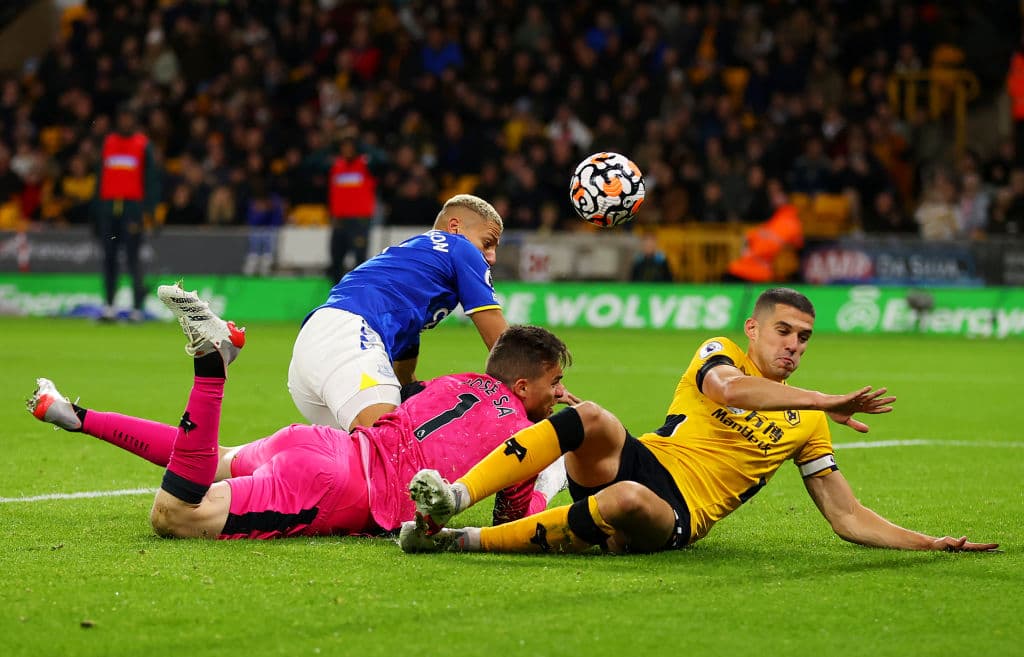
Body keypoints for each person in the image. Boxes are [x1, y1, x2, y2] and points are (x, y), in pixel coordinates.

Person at [400, 288, 998, 555]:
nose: (794, 346)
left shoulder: (808, 426)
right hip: (648, 457)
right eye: (784, 332)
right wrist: (823, 398)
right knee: (591, 417)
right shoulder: (720, 354)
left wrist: (929, 542)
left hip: (678, 513)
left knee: (629, 500)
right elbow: (730, 390)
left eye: (804, 338)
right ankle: (454, 497)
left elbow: (845, 516)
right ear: (754, 329)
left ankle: (457, 540)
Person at [26, 285, 574, 540]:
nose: (560, 393)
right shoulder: (520, 431)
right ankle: (212, 369)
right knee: (174, 516)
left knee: (208, 460)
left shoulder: (453, 383)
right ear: (523, 384)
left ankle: (75, 414)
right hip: (334, 485)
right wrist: (550, 462)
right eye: (555, 382)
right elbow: (513, 522)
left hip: (320, 444)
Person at [289, 194, 574, 433]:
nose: (491, 257)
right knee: (391, 453)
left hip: (316, 348)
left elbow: (405, 342)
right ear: (455, 227)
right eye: (488, 243)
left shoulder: (414, 255)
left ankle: (248, 466)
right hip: (350, 338)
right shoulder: (459, 248)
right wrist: (543, 384)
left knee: (353, 465)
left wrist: (408, 388)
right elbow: (503, 343)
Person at [94, 105, 161, 321]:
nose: (125, 122)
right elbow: (100, 177)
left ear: (134, 120)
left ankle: (136, 309)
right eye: (121, 117)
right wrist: (95, 211)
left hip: (132, 209)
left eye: (128, 117)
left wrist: (150, 212)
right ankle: (109, 307)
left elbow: (150, 180)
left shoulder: (142, 144)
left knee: (133, 259)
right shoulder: (108, 142)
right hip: (108, 207)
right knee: (109, 258)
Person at [327, 136, 378, 282]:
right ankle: (336, 294)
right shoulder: (336, 166)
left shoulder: (366, 165)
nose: (347, 150)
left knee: (360, 260)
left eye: (350, 147)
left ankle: (358, 295)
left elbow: (383, 161)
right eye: (344, 147)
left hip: (359, 221)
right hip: (340, 221)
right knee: (336, 259)